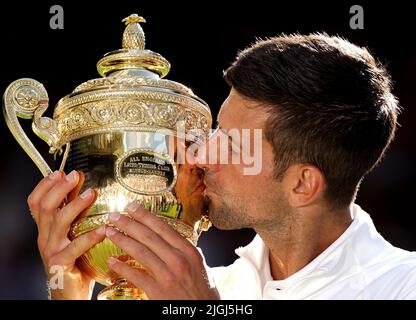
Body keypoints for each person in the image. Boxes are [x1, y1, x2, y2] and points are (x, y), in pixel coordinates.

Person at [27, 33, 416, 300]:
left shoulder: (401, 286)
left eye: (231, 144)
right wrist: (71, 289)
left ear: (302, 184)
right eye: (215, 131)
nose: (198, 155)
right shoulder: (211, 283)